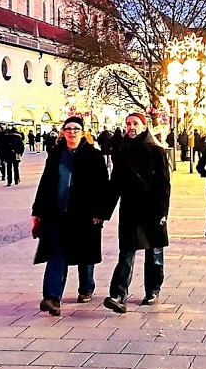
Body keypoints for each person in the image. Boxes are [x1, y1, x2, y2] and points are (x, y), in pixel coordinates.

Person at [32, 116, 110, 316]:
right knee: (57, 253)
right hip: (57, 214)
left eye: (76, 129)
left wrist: (100, 213)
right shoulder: (56, 154)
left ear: (83, 132)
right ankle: (52, 297)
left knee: (85, 254)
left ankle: (86, 288)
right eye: (68, 128)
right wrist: (37, 211)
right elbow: (45, 183)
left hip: (84, 214)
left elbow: (104, 186)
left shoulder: (93, 155)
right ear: (63, 132)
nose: (72, 132)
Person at [101, 112, 171, 313]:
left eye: (135, 123)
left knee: (155, 251)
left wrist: (162, 212)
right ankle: (117, 295)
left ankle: (153, 290)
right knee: (127, 252)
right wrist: (104, 212)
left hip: (152, 208)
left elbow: (164, 185)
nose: (131, 127)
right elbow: (115, 184)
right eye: (128, 124)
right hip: (130, 208)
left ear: (144, 126)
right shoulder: (122, 151)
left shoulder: (157, 151)